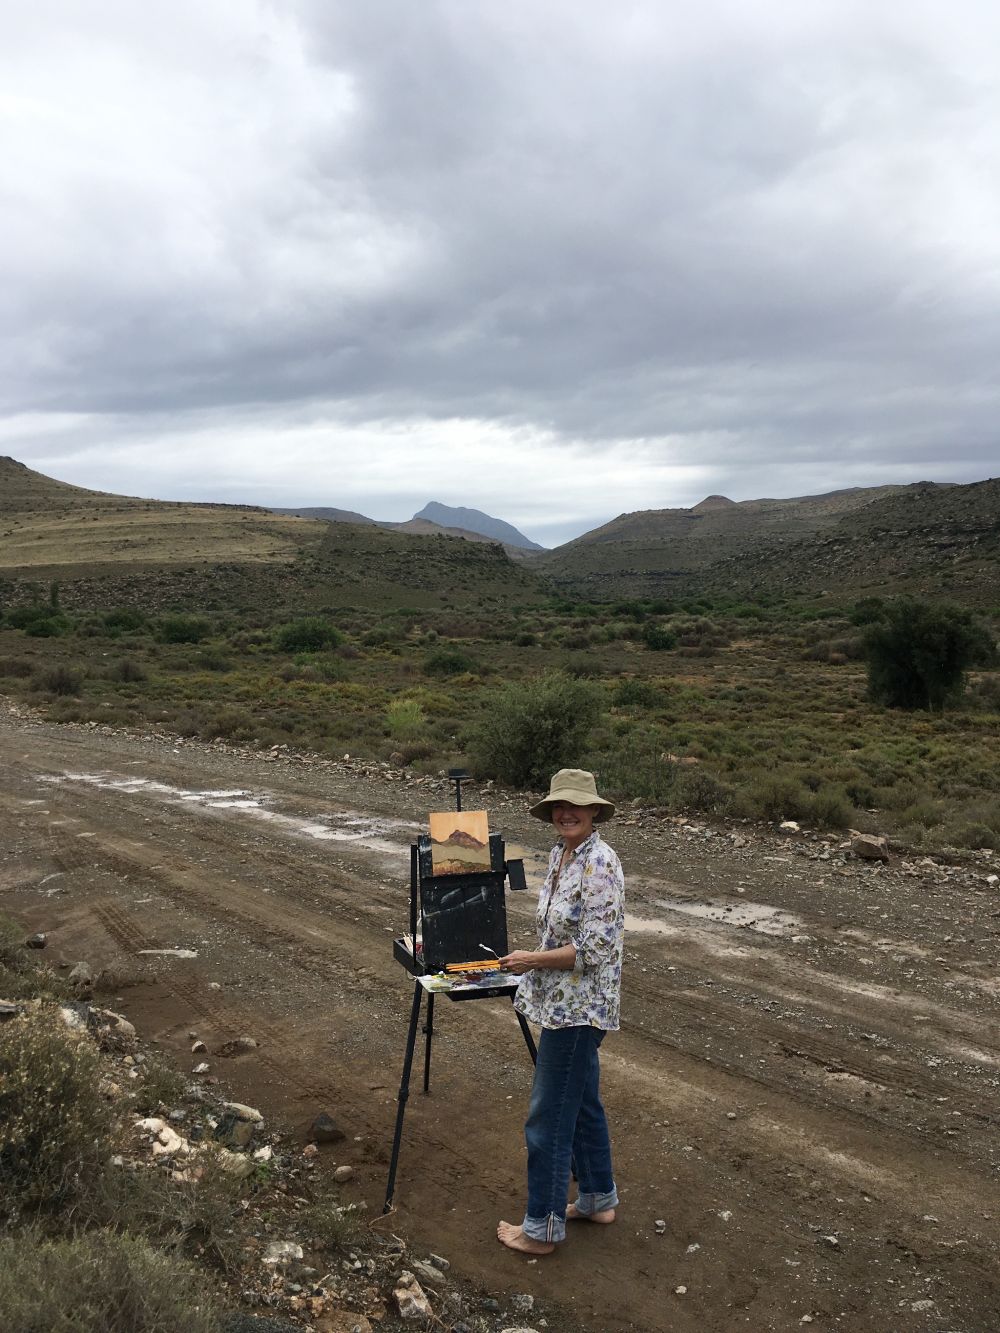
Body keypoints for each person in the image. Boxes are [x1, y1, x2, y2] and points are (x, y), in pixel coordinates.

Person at [497, 768, 625, 1255]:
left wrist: (530, 960)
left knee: (548, 1117)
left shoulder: (602, 865)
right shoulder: (561, 854)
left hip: (580, 1010)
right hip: (559, 1002)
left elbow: (592, 950)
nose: (565, 813)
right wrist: (535, 961)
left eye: (575, 805)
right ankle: (598, 1198)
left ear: (594, 812)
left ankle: (542, 1229)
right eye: (558, 806)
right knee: (583, 1102)